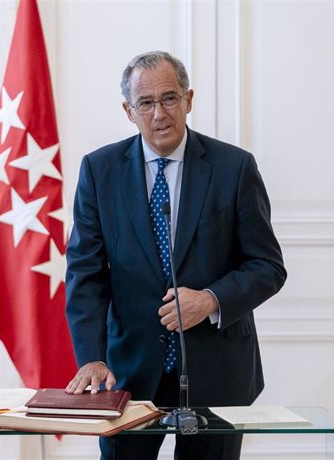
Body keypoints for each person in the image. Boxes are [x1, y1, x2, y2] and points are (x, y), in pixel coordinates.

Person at [64, 51, 287, 459]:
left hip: (217, 371)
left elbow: (268, 266)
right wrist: (92, 358)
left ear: (189, 99)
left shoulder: (233, 167)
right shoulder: (100, 170)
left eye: (169, 98)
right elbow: (85, 273)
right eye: (145, 103)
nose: (159, 113)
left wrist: (211, 300)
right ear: (128, 111)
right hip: (128, 373)